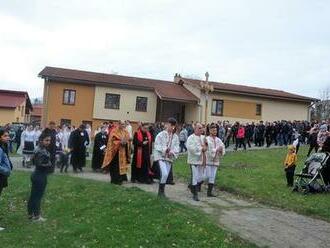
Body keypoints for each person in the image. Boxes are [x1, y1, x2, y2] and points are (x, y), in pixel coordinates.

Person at [27, 133, 53, 222]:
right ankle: (36, 216)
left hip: (37, 174)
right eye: (46, 140)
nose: (48, 142)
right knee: (37, 196)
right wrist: (49, 164)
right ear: (41, 141)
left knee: (33, 195)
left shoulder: (38, 149)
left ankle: (30, 214)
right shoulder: (40, 150)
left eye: (49, 140)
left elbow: (32, 160)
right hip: (40, 175)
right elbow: (39, 164)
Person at [153, 118, 179, 197]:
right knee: (164, 173)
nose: (172, 127)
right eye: (171, 125)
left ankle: (161, 192)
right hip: (161, 156)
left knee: (166, 175)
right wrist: (165, 149)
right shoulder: (161, 134)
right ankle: (160, 192)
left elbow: (177, 147)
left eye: (173, 126)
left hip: (169, 157)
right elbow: (157, 145)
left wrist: (172, 152)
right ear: (167, 124)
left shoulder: (175, 137)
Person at [187, 123, 206, 201]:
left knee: (201, 177)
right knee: (195, 177)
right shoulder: (190, 138)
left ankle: (191, 186)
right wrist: (200, 149)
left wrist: (206, 148)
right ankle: (195, 194)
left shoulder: (203, 137)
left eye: (202, 128)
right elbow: (190, 148)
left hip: (202, 160)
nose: (201, 129)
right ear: (195, 129)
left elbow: (207, 146)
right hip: (193, 160)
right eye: (199, 128)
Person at [205, 124, 225, 197]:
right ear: (210, 130)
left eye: (216, 130)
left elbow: (223, 148)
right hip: (208, 160)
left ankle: (209, 192)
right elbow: (208, 150)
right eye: (213, 130)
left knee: (212, 176)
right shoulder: (207, 139)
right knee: (206, 176)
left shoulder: (218, 140)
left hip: (216, 161)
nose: (215, 132)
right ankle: (195, 184)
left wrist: (221, 150)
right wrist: (216, 149)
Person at [0, 129, 13, 231]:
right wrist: (7, 170)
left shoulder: (4, 146)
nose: (8, 137)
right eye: (5, 136)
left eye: (8, 135)